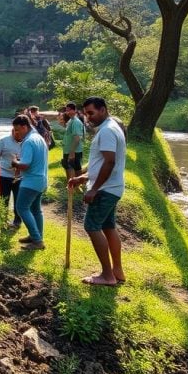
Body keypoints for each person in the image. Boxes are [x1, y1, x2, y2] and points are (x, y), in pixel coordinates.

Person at [68, 97, 127, 286]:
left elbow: (110, 162)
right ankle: (117, 271)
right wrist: (84, 178)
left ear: (103, 110)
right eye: (86, 113)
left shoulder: (108, 131)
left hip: (105, 190)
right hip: (112, 187)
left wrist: (93, 189)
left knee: (92, 226)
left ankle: (107, 276)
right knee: (108, 227)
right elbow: (103, 163)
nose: (88, 117)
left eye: (91, 113)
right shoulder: (109, 128)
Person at [11, 114, 49, 250]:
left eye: (17, 130)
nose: (16, 133)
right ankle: (36, 236)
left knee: (21, 207)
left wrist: (15, 162)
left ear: (24, 126)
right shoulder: (38, 137)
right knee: (35, 210)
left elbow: (25, 165)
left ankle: (37, 240)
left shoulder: (28, 141)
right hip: (41, 180)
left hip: (31, 181)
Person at [0, 128, 23, 229]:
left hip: (20, 176)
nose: (18, 135)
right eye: (16, 132)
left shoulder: (27, 142)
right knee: (4, 199)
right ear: (12, 130)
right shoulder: (3, 141)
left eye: (20, 133)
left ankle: (17, 220)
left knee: (19, 199)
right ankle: (3, 220)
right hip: (4, 174)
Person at [62, 102, 85, 180]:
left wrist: (72, 152)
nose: (68, 112)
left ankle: (78, 184)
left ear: (75, 110)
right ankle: (73, 184)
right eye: (67, 110)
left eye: (70, 110)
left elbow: (77, 138)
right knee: (68, 166)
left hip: (74, 151)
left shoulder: (76, 122)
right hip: (68, 149)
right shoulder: (70, 121)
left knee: (75, 167)